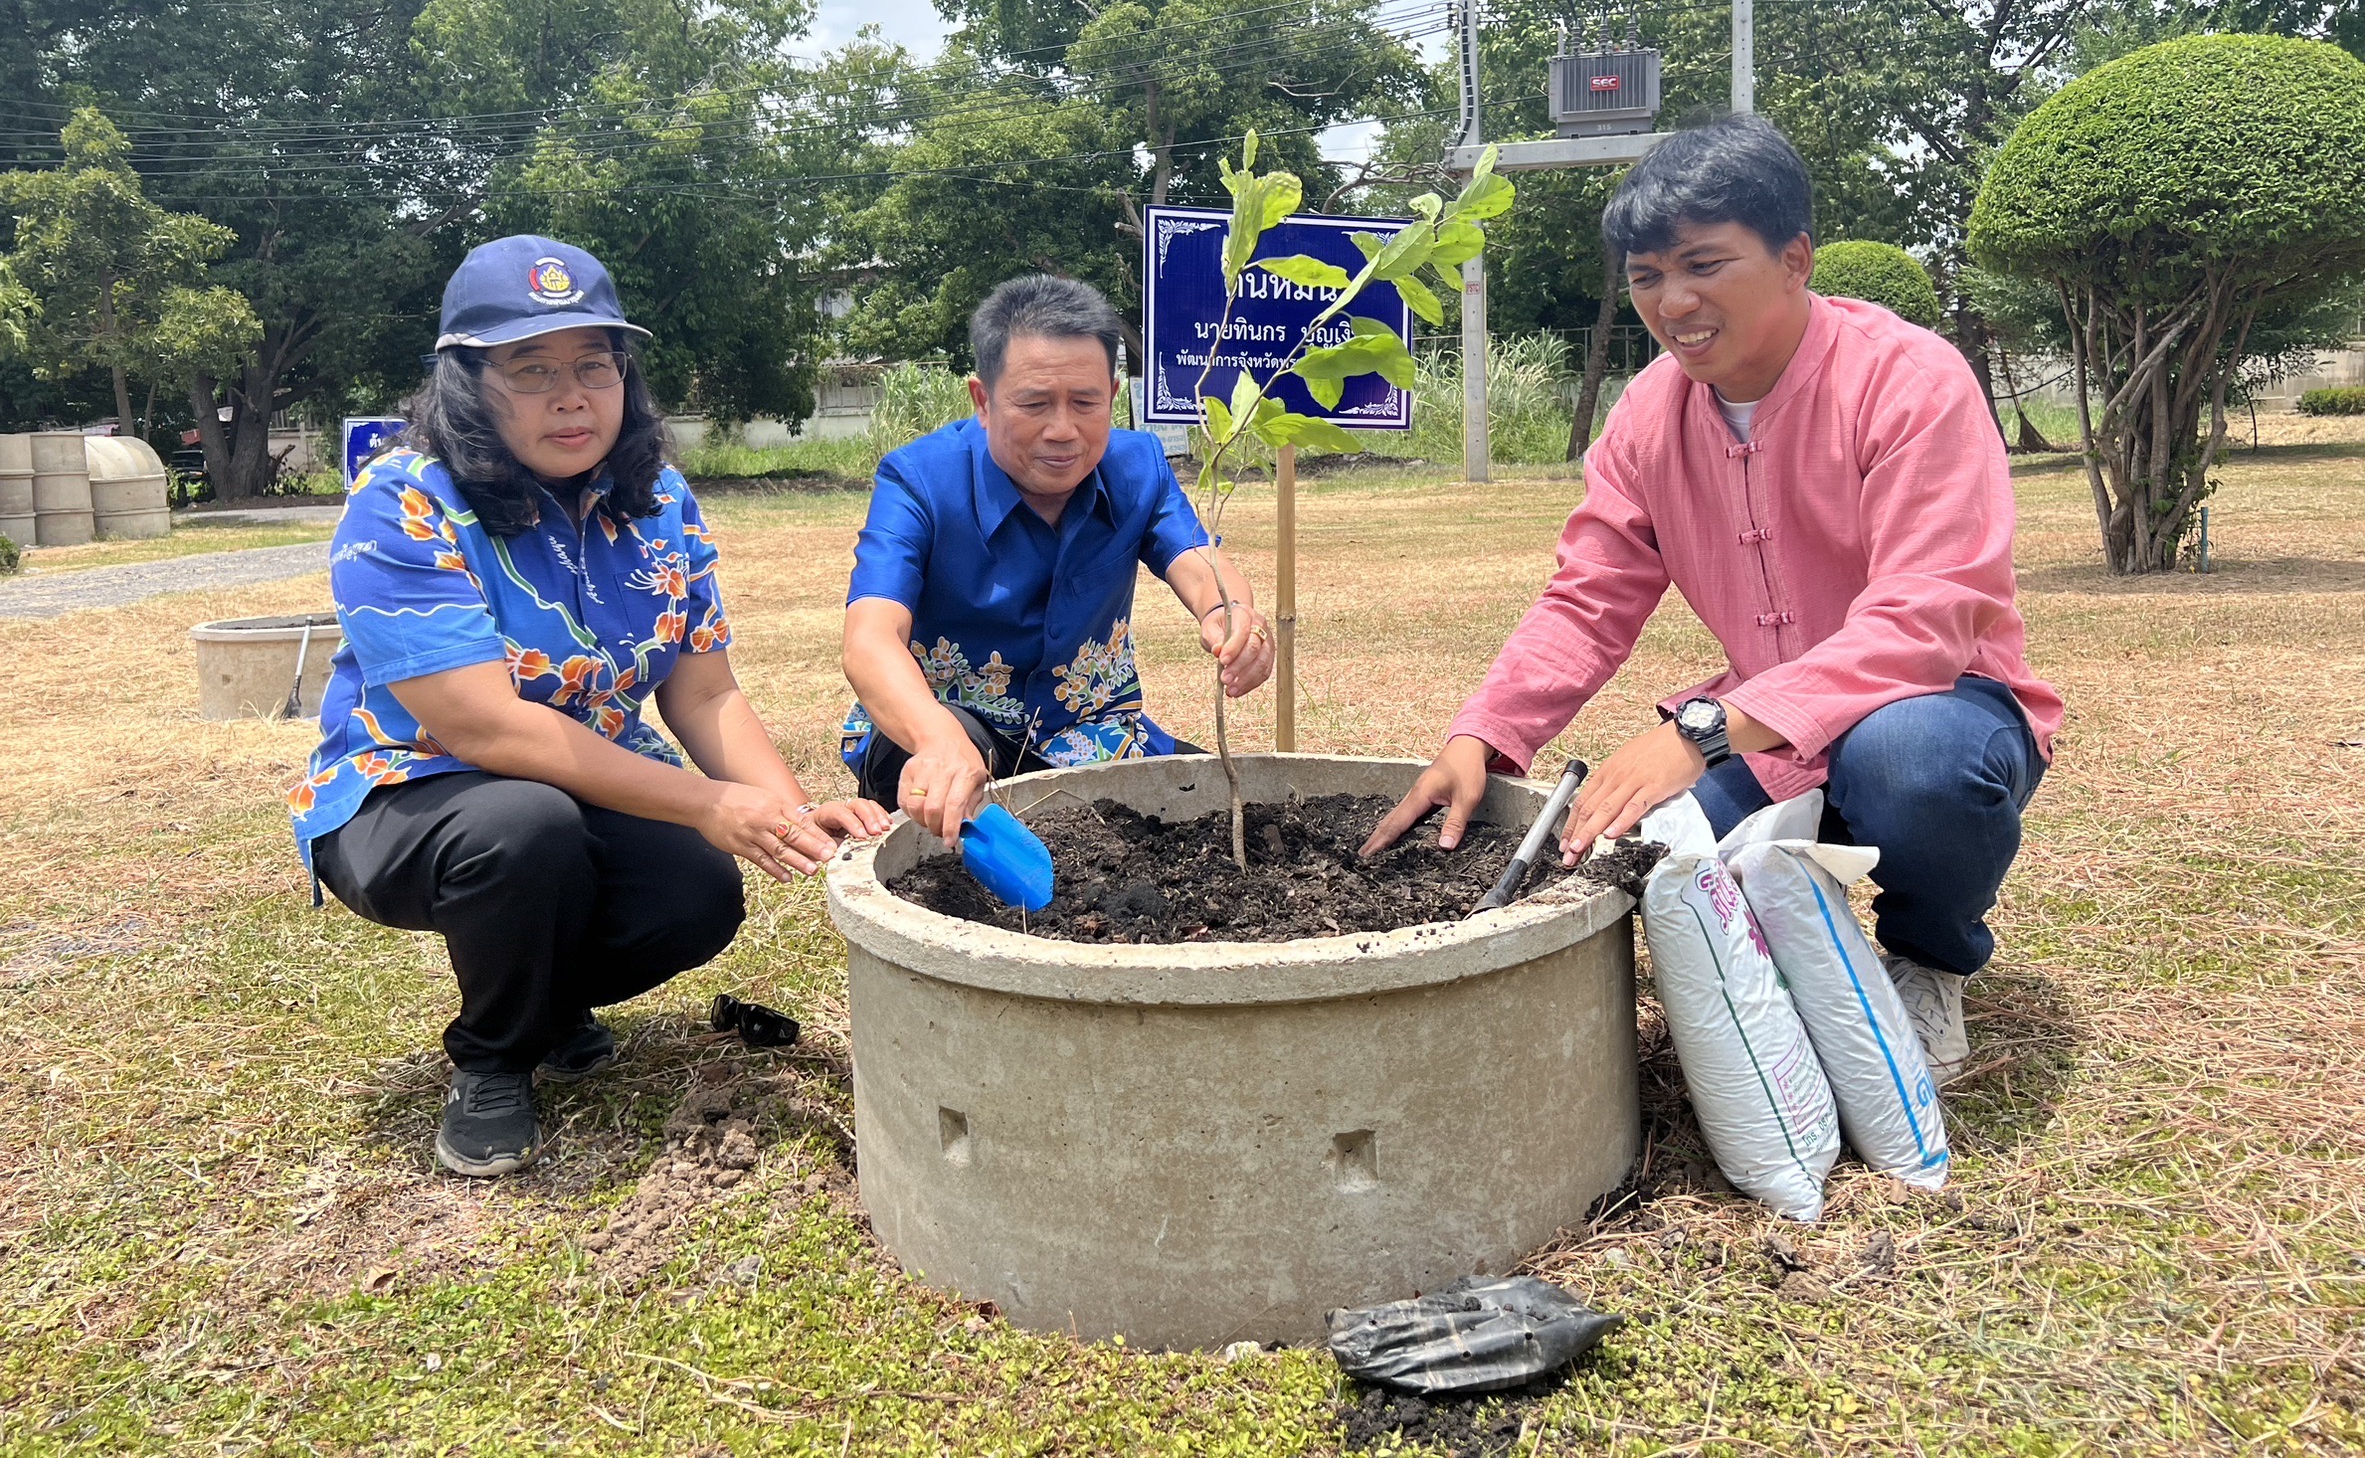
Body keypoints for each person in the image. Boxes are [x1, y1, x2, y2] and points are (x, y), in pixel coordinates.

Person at [1364, 117, 2061, 1081]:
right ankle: (1795, 945)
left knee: (1911, 767)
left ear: (1794, 259)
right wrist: (1484, 734)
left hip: (1940, 704)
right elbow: (1588, 595)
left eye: (1703, 265)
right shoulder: (1650, 413)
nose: (1673, 301)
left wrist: (1698, 731)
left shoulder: (1908, 382)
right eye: (1646, 276)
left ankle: (1927, 959)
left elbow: (1925, 619)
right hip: (1760, 724)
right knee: (1640, 846)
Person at [289, 235, 889, 1177]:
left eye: (594, 366)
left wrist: (780, 806)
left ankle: (548, 1001)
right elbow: (481, 727)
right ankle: (494, 1061)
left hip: (590, 785)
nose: (572, 396)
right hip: (409, 793)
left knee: (695, 892)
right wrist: (703, 802)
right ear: (467, 385)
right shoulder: (405, 502)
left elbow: (704, 688)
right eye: (531, 370)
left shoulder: (656, 501)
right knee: (522, 827)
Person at [841, 275, 1274, 846]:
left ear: (1114, 398)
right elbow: (869, 638)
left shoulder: (1138, 464)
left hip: (1093, 733)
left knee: (1212, 817)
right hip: (945, 727)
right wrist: (938, 738)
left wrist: (1232, 614)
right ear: (983, 401)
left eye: (1086, 403)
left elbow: (1197, 559)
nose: (1063, 430)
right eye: (1035, 404)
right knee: (964, 809)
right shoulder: (919, 479)